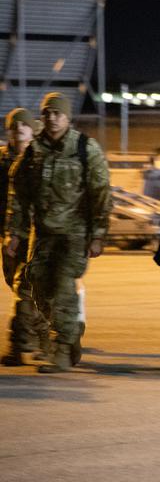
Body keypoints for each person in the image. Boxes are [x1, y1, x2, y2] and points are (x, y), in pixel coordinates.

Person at [5, 92, 112, 373]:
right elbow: (19, 196)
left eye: (57, 113)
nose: (51, 118)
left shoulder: (84, 148)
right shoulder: (33, 151)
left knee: (64, 285)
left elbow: (101, 193)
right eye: (47, 113)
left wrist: (99, 234)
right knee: (38, 287)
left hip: (74, 234)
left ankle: (62, 349)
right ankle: (71, 332)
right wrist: (14, 233)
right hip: (42, 235)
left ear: (67, 117)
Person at [0, 108, 50, 366]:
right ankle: (43, 337)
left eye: (24, 125)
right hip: (9, 236)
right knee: (18, 286)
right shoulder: (1, 160)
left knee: (25, 289)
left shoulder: (42, 159)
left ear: (33, 130)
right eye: (13, 126)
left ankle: (19, 346)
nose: (18, 129)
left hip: (36, 236)